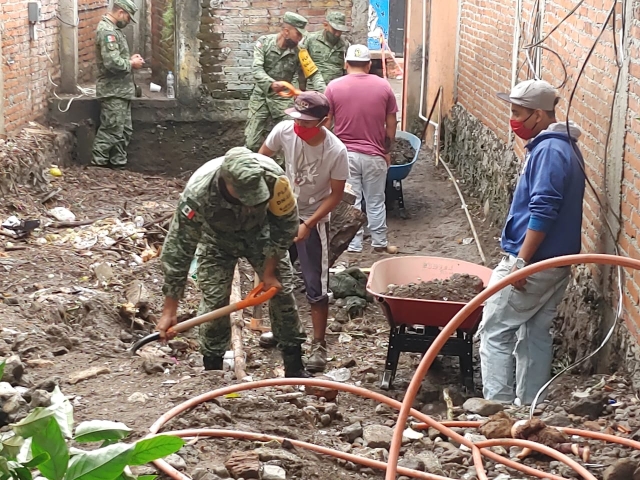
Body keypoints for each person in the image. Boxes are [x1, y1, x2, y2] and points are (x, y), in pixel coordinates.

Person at [156, 147, 311, 378]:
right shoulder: (198, 193)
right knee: (215, 301)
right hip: (215, 240)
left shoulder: (274, 179)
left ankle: (294, 366)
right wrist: (170, 308)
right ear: (226, 182)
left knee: (282, 291)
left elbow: (285, 226)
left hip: (261, 235)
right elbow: (179, 249)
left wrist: (269, 271)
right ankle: (213, 370)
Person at [478, 79, 586, 406]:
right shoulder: (562, 146)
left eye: (516, 113)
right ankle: (529, 411)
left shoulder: (551, 151)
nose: (512, 119)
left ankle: (495, 411)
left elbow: (543, 209)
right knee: (535, 334)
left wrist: (521, 262)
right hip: (556, 262)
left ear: (537, 115)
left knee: (494, 332)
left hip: (534, 262)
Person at [257, 91, 349, 372]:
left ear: (325, 121)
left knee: (315, 285)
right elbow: (261, 160)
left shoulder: (336, 151)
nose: (300, 126)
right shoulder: (284, 131)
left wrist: (308, 224)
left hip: (314, 217)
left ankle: (319, 345)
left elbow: (335, 195)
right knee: (273, 273)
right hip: (283, 211)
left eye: (308, 122)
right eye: (297, 119)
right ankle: (283, 330)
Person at [325, 44, 398, 254]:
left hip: (344, 156)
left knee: (350, 201)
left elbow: (326, 123)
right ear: (368, 65)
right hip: (374, 155)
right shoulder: (383, 86)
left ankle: (353, 245)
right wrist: (386, 151)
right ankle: (379, 243)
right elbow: (391, 123)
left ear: (346, 63)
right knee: (376, 200)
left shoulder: (333, 87)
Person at [245, 12, 326, 153]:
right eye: (298, 34)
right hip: (261, 95)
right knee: (251, 141)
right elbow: (256, 69)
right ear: (286, 31)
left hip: (283, 98)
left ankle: (282, 169)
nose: (300, 39)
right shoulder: (264, 43)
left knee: (289, 137)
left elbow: (313, 73)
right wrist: (271, 83)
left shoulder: (300, 51)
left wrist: (325, 94)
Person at [92, 0, 144, 169]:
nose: (128, 22)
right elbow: (112, 63)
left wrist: (130, 60)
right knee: (111, 131)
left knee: (123, 132)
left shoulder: (114, 30)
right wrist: (131, 64)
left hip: (121, 91)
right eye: (128, 18)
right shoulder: (107, 32)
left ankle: (118, 165)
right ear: (121, 12)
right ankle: (97, 167)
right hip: (112, 91)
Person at [303, 11, 350, 89]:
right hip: (314, 89)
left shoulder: (344, 44)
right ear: (326, 25)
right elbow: (299, 65)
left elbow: (348, 70)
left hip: (336, 89)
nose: (337, 34)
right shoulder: (311, 40)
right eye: (335, 30)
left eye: (340, 31)